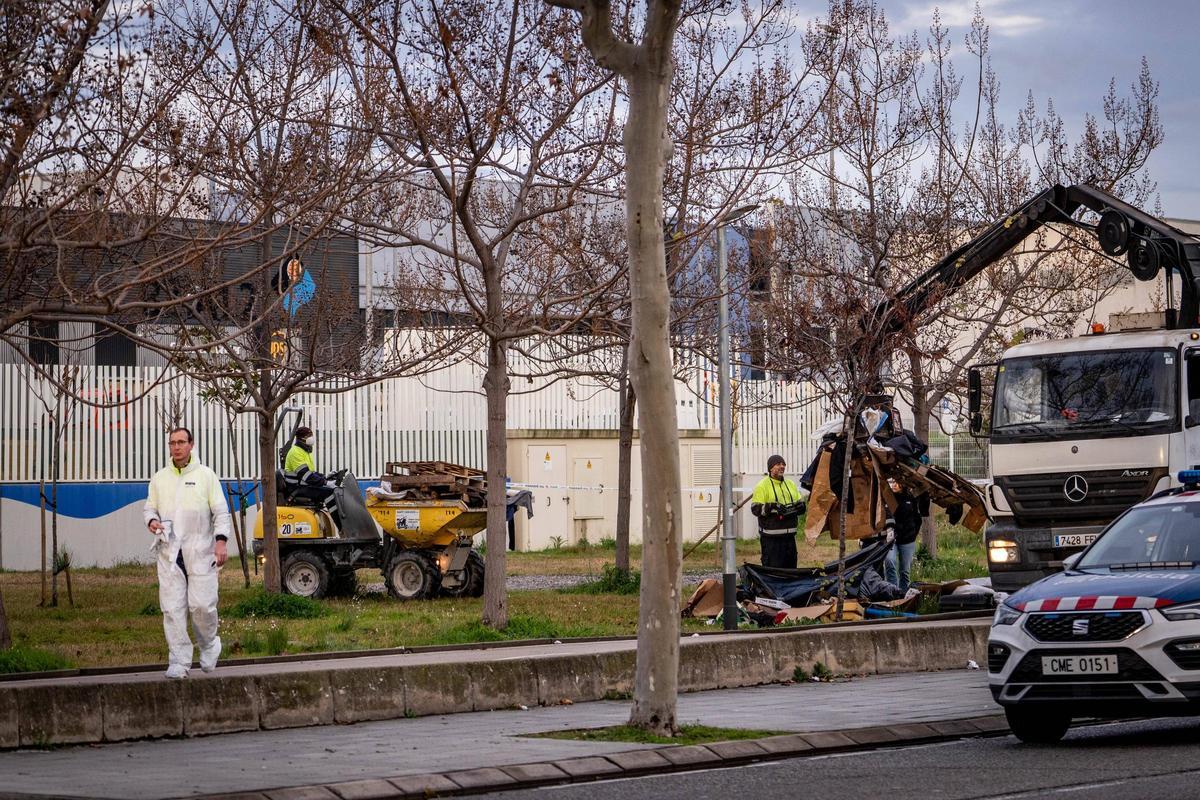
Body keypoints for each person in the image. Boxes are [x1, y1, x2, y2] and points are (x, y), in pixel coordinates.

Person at [144, 427, 231, 679]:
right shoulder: (160, 478)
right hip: (170, 554)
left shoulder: (206, 476)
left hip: (201, 552)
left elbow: (221, 513)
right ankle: (179, 660)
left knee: (202, 606)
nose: (177, 447)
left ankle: (209, 644)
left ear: (191, 445)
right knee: (172, 609)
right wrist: (152, 521)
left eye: (181, 442)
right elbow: (149, 508)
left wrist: (221, 542)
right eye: (172, 443)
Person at [750, 454, 808, 569]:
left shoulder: (790, 484)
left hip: (790, 538)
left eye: (783, 464)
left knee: (791, 572)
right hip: (771, 541)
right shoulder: (762, 486)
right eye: (778, 464)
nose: (782, 466)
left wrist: (801, 506)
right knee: (774, 573)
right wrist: (772, 507)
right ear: (770, 468)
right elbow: (755, 509)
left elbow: (798, 502)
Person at [885, 478, 928, 592]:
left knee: (905, 570)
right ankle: (892, 591)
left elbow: (917, 518)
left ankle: (903, 593)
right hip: (891, 538)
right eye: (892, 482)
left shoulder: (910, 498)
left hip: (907, 539)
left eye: (896, 482)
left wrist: (913, 533)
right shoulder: (887, 498)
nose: (894, 485)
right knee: (890, 562)